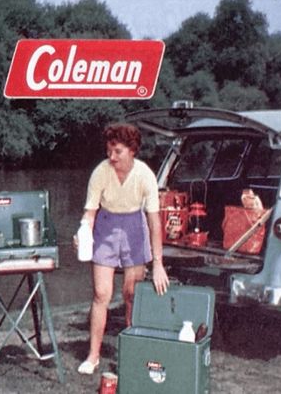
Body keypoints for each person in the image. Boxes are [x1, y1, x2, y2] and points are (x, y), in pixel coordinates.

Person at [75, 123, 170, 375]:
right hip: (106, 226)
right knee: (101, 294)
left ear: (132, 150)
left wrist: (158, 263)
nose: (112, 157)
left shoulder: (145, 175)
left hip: (134, 227)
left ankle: (129, 354)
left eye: (117, 151)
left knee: (131, 295)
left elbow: (154, 222)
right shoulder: (100, 172)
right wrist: (83, 231)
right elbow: (90, 211)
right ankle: (93, 355)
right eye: (109, 151)